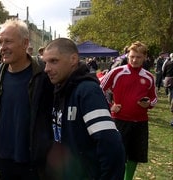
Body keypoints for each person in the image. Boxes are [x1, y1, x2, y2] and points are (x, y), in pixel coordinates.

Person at [41, 38, 125, 179]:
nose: (47, 68)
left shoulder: (87, 91)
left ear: (73, 59)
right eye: (45, 62)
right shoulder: (59, 88)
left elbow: (111, 145)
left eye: (54, 61)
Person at [0, 18, 54, 179]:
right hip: (4, 159)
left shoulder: (43, 74)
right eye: (0, 42)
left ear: (25, 43)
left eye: (8, 41)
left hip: (33, 161)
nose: (2, 47)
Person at [100, 41, 157, 180]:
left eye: (138, 57)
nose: (134, 60)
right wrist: (109, 106)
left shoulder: (149, 77)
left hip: (140, 122)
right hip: (119, 120)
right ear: (128, 56)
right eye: (132, 56)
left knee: (135, 155)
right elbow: (98, 89)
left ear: (145, 57)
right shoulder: (117, 72)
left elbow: (154, 98)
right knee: (118, 155)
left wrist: (149, 104)